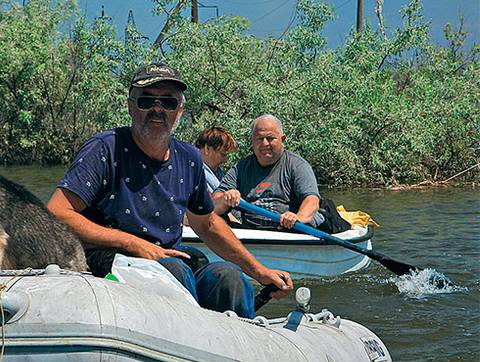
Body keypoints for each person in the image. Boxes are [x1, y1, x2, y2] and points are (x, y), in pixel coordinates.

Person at [47, 63, 292, 318]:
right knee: (173, 272)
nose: (157, 109)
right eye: (146, 101)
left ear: (180, 111)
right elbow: (56, 213)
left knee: (230, 279)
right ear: (131, 106)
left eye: (168, 102)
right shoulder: (104, 149)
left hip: (170, 257)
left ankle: (237, 346)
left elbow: (207, 224)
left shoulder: (189, 158)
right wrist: (133, 244)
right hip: (111, 259)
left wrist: (258, 270)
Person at [215, 114, 325, 231]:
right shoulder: (240, 168)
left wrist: (298, 217)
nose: (265, 144)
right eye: (260, 139)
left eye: (270, 138)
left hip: (290, 231)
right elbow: (214, 203)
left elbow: (312, 200)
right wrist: (224, 198)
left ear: (282, 139)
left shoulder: (298, 165)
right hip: (252, 234)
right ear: (252, 141)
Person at [194, 126, 238, 195]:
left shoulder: (218, 173)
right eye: (223, 154)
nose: (225, 160)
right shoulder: (193, 173)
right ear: (207, 149)